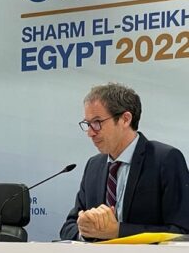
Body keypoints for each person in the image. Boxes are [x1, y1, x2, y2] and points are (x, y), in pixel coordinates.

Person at [60, 83, 189, 241]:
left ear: (125, 119)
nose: (90, 133)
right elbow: (68, 227)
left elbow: (181, 231)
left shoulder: (165, 159)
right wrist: (85, 231)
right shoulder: (93, 166)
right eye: (88, 124)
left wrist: (118, 231)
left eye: (97, 122)